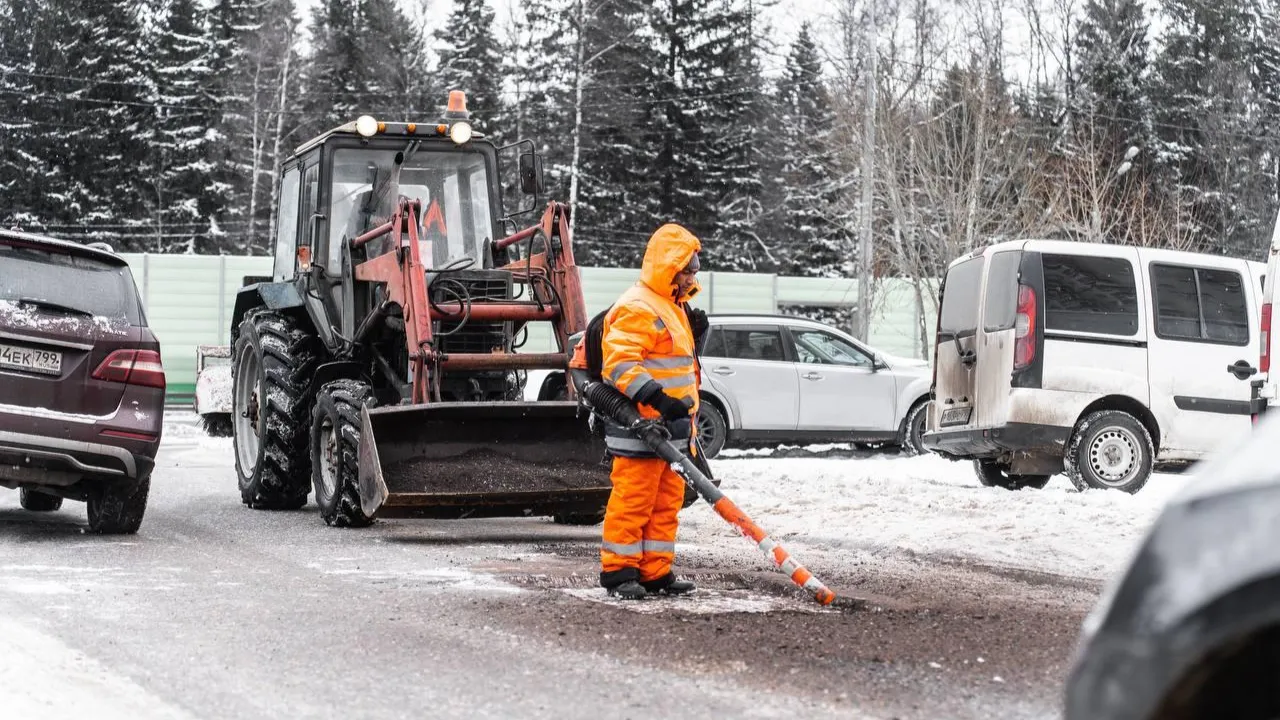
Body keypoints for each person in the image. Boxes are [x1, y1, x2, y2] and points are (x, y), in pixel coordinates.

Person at [591, 223, 709, 600]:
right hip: (641, 430)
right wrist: (659, 401)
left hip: (672, 431)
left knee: (665, 505)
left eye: (694, 269)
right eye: (687, 269)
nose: (692, 276)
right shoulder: (638, 305)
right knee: (633, 502)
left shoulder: (672, 307)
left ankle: (655, 572)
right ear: (668, 266)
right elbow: (620, 364)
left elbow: (673, 363)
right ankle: (619, 573)